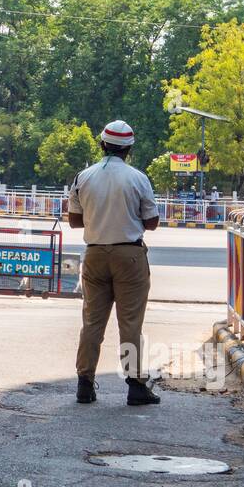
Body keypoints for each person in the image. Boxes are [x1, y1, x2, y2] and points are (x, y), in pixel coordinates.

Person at [67, 120, 161, 406]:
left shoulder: (83, 177)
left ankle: (85, 383)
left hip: (94, 254)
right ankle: (135, 386)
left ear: (101, 145)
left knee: (92, 322)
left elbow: (73, 220)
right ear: (129, 149)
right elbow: (152, 222)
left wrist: (99, 216)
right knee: (130, 323)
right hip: (129, 256)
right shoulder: (138, 178)